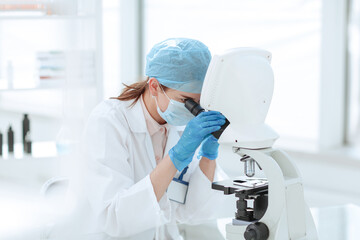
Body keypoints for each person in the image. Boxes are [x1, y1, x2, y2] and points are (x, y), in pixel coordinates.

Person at [81, 38, 229, 239]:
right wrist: (174, 159)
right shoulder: (108, 122)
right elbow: (114, 219)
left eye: (200, 101)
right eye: (186, 101)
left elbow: (195, 212)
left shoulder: (182, 126)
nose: (194, 110)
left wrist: (208, 156)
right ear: (154, 87)